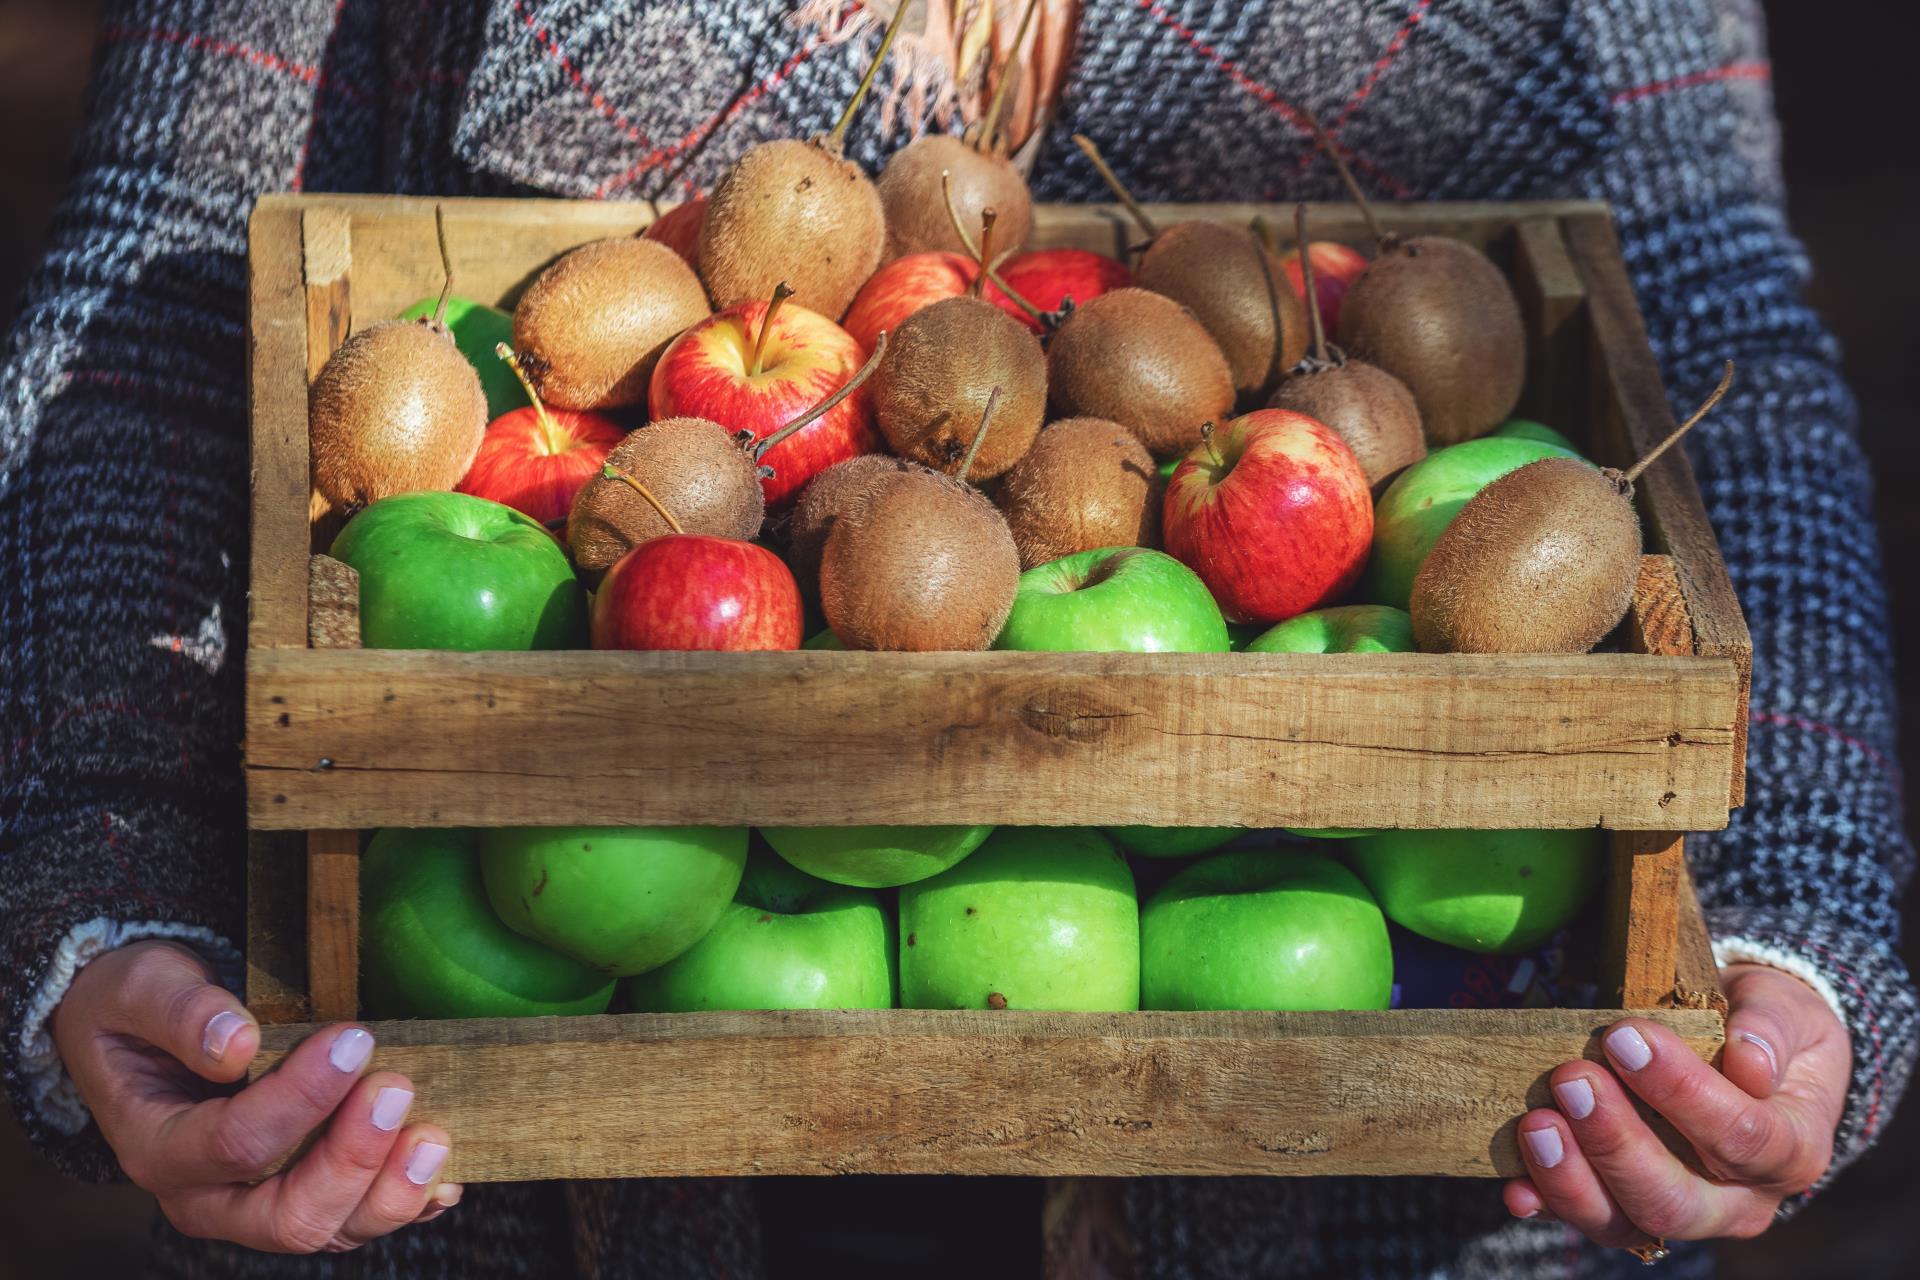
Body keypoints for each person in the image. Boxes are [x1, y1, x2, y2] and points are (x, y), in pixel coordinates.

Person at [2, 1, 1912, 1276]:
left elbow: (1698, 284)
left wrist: (1803, 946)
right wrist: (102, 908)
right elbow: (172, 301)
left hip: (1412, 1139)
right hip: (503, 1139)